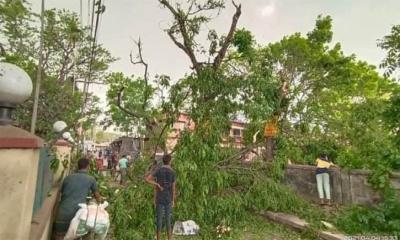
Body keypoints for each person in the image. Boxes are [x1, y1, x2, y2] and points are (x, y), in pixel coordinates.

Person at [53, 158, 102, 240]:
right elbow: (97, 197)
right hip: (78, 214)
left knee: (59, 236)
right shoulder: (91, 179)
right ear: (88, 167)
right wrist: (101, 205)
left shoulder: (68, 178)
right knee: (77, 235)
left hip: (62, 212)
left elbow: (61, 194)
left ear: (77, 166)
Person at [146, 154, 176, 240]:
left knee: (159, 220)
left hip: (159, 198)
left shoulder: (158, 170)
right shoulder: (172, 172)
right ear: (170, 161)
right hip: (169, 198)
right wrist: (173, 200)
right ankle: (169, 239)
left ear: (163, 161)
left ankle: (158, 238)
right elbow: (173, 188)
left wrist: (157, 184)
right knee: (168, 220)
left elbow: (147, 179)